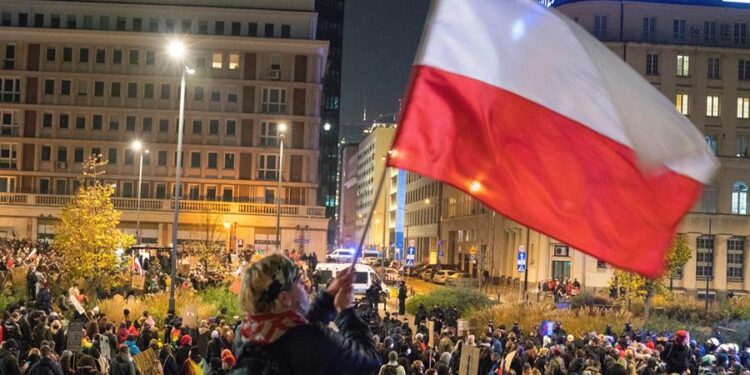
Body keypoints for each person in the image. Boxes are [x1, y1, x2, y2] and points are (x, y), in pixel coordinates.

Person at [232, 254, 381, 374]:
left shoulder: (254, 335)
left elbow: (296, 332)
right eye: (297, 281)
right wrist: (345, 311)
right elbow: (369, 359)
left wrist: (329, 297)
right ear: (284, 298)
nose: (305, 284)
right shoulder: (310, 341)